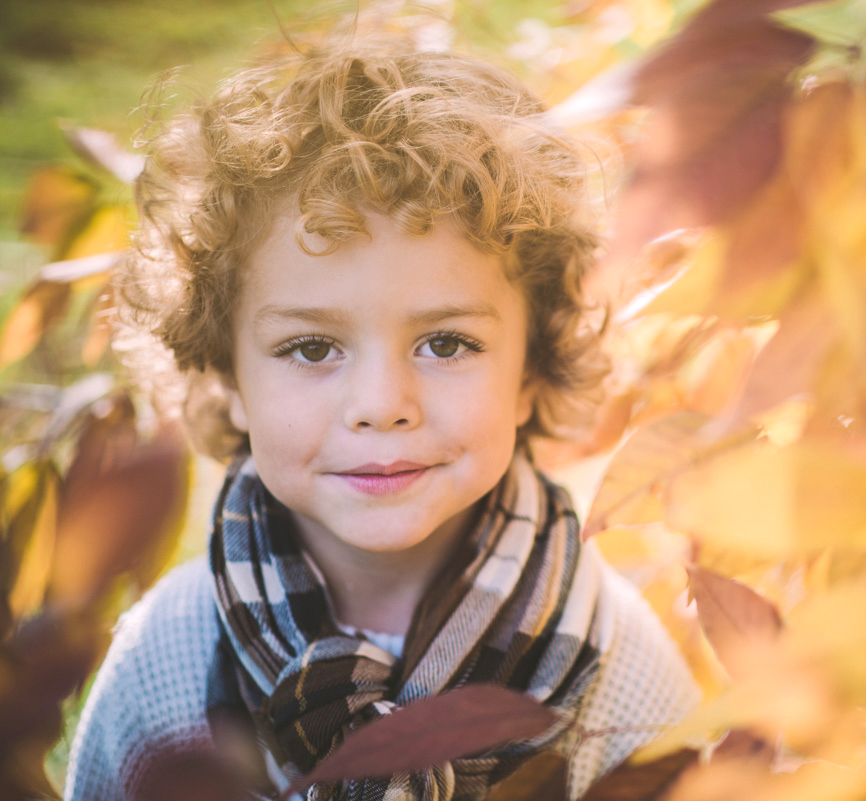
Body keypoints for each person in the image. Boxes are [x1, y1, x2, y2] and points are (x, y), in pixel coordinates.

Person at [64, 12, 698, 801]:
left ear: (533, 364)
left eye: (445, 343)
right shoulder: (167, 664)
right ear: (224, 373)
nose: (381, 405)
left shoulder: (623, 676)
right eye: (311, 348)